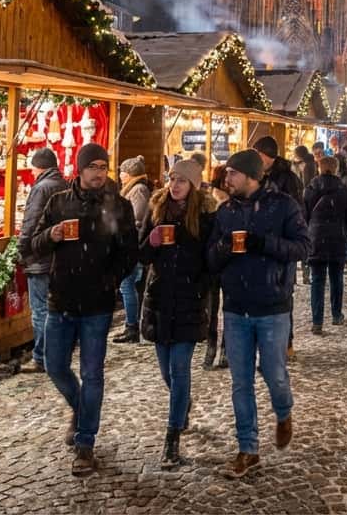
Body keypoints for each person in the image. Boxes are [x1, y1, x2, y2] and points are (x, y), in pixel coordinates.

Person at [31, 142, 139, 477]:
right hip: (61, 299)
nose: (98, 173)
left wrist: (109, 280)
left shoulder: (119, 206)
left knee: (93, 373)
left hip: (97, 305)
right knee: (54, 365)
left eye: (104, 167)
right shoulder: (59, 202)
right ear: (79, 169)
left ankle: (85, 443)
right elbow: (33, 243)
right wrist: (52, 233)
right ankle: (81, 408)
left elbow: (129, 253)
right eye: (92, 167)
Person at [208, 149, 309, 479]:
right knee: (241, 382)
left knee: (273, 372)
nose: (227, 179)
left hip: (272, 306)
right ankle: (247, 448)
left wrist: (262, 243)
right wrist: (225, 247)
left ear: (252, 176)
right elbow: (211, 259)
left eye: (233, 174)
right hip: (236, 306)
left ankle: (283, 411)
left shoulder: (284, 207)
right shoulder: (225, 212)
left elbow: (303, 248)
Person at [138, 157, 214, 468]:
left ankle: (172, 440)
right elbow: (141, 255)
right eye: (172, 179)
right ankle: (182, 403)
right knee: (167, 373)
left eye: (182, 180)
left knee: (180, 370)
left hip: (188, 300)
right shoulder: (156, 210)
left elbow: (210, 261)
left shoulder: (205, 217)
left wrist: (201, 289)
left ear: (193, 185)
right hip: (158, 300)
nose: (175, 185)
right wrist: (152, 242)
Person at [17, 147, 67, 373]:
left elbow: (31, 222)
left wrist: (23, 250)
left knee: (40, 311)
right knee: (55, 310)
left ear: (38, 167)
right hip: (59, 257)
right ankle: (56, 354)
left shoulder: (41, 188)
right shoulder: (65, 184)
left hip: (40, 257)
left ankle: (41, 358)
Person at [254, 135, 304, 357]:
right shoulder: (258, 175)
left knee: (283, 294)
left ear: (265, 156)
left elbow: (296, 214)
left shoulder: (287, 179)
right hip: (262, 244)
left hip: (283, 246)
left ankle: (287, 342)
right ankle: (268, 344)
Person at [303, 154, 347, 332]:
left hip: (316, 238)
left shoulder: (310, 189)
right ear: (336, 169)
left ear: (319, 168)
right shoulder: (343, 189)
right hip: (338, 238)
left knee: (317, 281)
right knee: (337, 279)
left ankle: (317, 321)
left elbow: (303, 218)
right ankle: (336, 315)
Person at [114, 155, 152, 344]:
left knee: (127, 285)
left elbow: (138, 215)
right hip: (130, 242)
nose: (120, 175)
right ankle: (132, 325)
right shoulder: (136, 188)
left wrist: (119, 219)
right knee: (128, 285)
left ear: (130, 174)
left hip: (133, 243)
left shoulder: (138, 190)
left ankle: (132, 326)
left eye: (122, 171)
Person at [204, 163, 230, 369]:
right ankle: (222, 350)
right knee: (225, 309)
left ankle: (213, 348)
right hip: (225, 261)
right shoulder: (226, 203)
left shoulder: (207, 200)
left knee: (212, 309)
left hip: (214, 261)